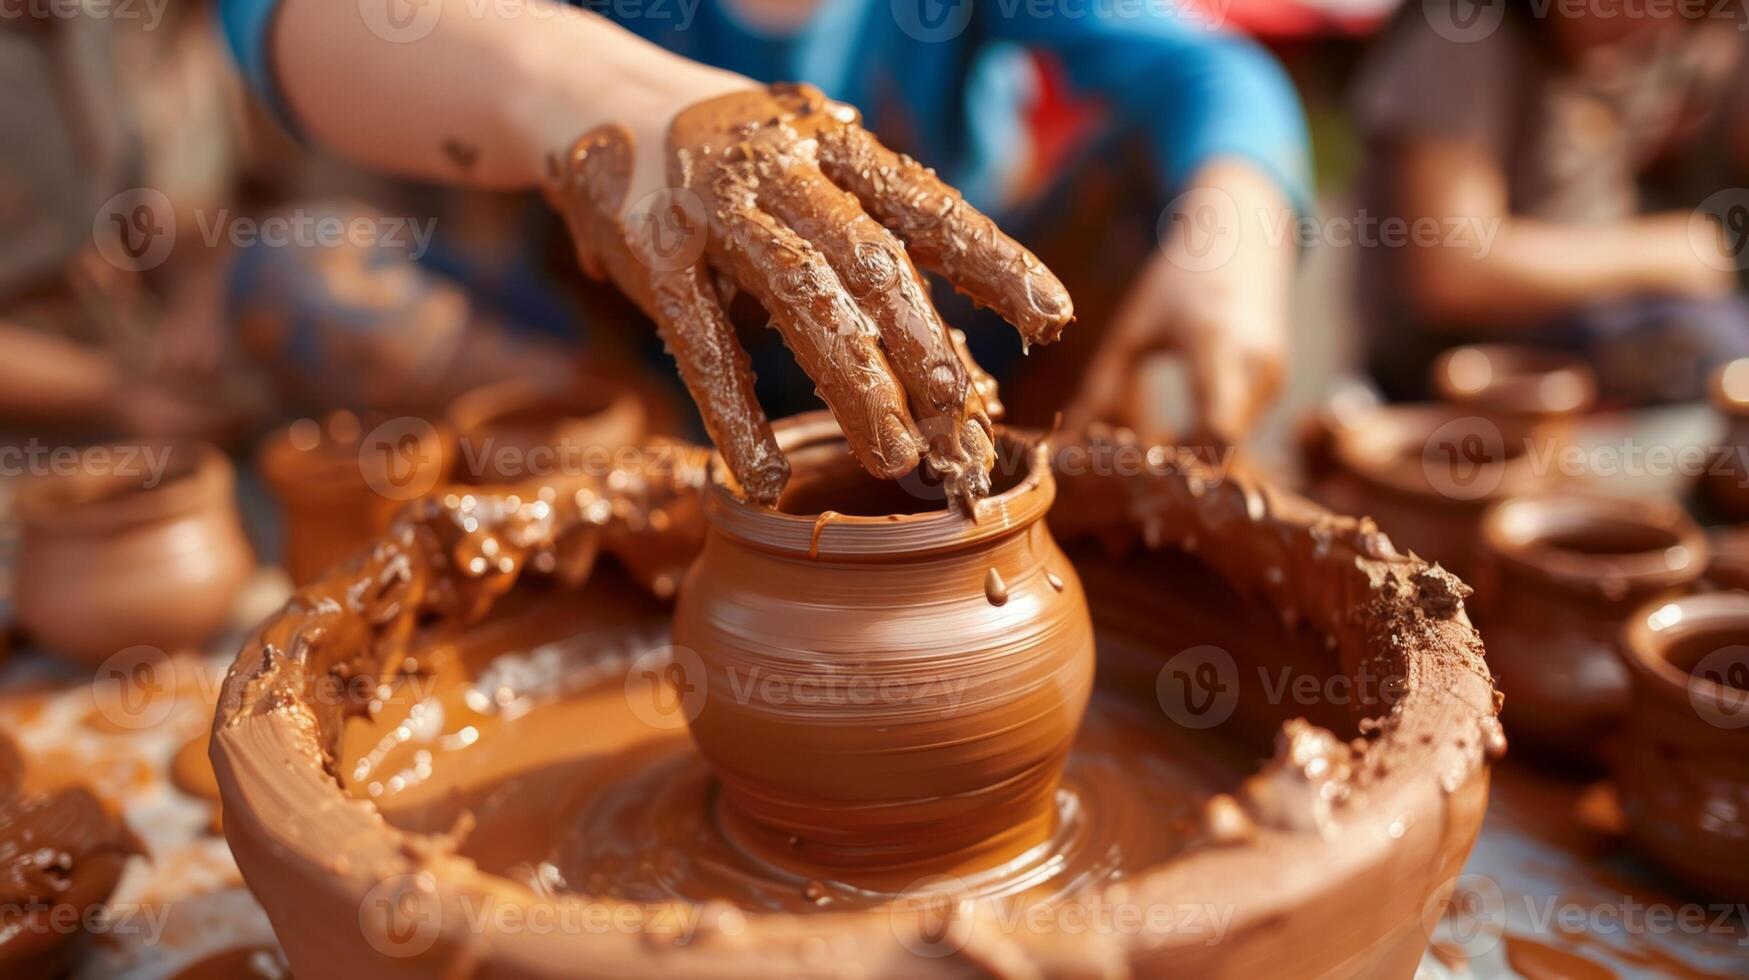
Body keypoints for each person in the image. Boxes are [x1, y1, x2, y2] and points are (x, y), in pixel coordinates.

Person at [218, 0, 1310, 496]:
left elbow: (1209, 73)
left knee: (1179, 187)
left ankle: (1051, 480)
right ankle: (670, 490)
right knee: (295, 270)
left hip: (954, 352)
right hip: (650, 360)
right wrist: (587, 94)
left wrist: (1234, 243)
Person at [1353, 0, 1749, 405]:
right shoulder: (1464, 30)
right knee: (1714, 341)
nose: (1654, 19)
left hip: (1593, 324)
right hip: (1448, 366)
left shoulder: (1650, 41)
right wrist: (1658, 253)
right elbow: (1453, 269)